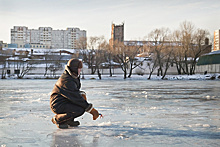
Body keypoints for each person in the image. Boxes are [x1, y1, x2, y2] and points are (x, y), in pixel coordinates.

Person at [50, 58, 99, 129]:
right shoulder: (67, 80)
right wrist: (91, 110)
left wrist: (82, 94)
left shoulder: (73, 76)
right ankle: (57, 119)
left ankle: (68, 120)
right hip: (57, 104)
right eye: (79, 68)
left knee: (79, 107)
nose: (80, 70)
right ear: (74, 69)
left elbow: (74, 92)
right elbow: (76, 98)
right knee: (80, 109)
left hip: (65, 101)